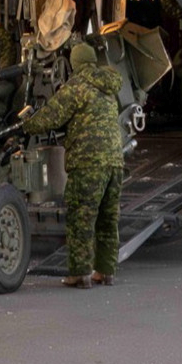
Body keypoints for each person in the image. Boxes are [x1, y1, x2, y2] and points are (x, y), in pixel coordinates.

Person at [22, 42, 125, 288]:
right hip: (115, 163)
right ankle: (106, 271)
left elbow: (50, 118)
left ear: (74, 63)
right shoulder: (109, 86)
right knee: (108, 219)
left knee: (81, 219)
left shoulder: (75, 87)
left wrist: (27, 123)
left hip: (88, 164)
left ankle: (81, 274)